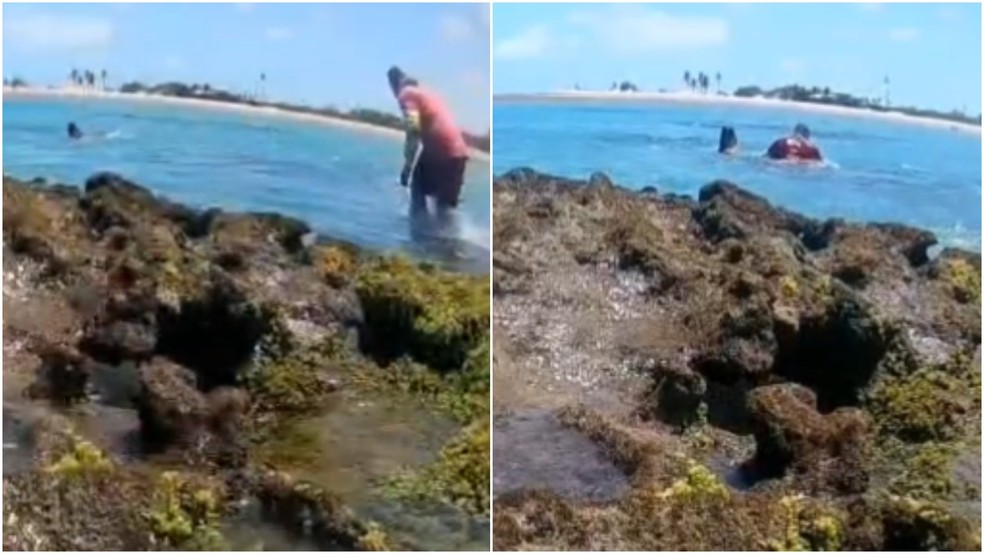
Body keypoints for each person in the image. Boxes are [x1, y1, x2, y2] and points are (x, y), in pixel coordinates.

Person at [387, 66, 469, 225]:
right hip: (459, 153)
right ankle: (452, 244)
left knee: (417, 195)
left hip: (440, 152)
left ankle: (418, 242)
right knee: (445, 210)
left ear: (393, 85)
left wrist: (407, 167)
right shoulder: (426, 92)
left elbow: (413, 130)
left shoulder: (406, 95)